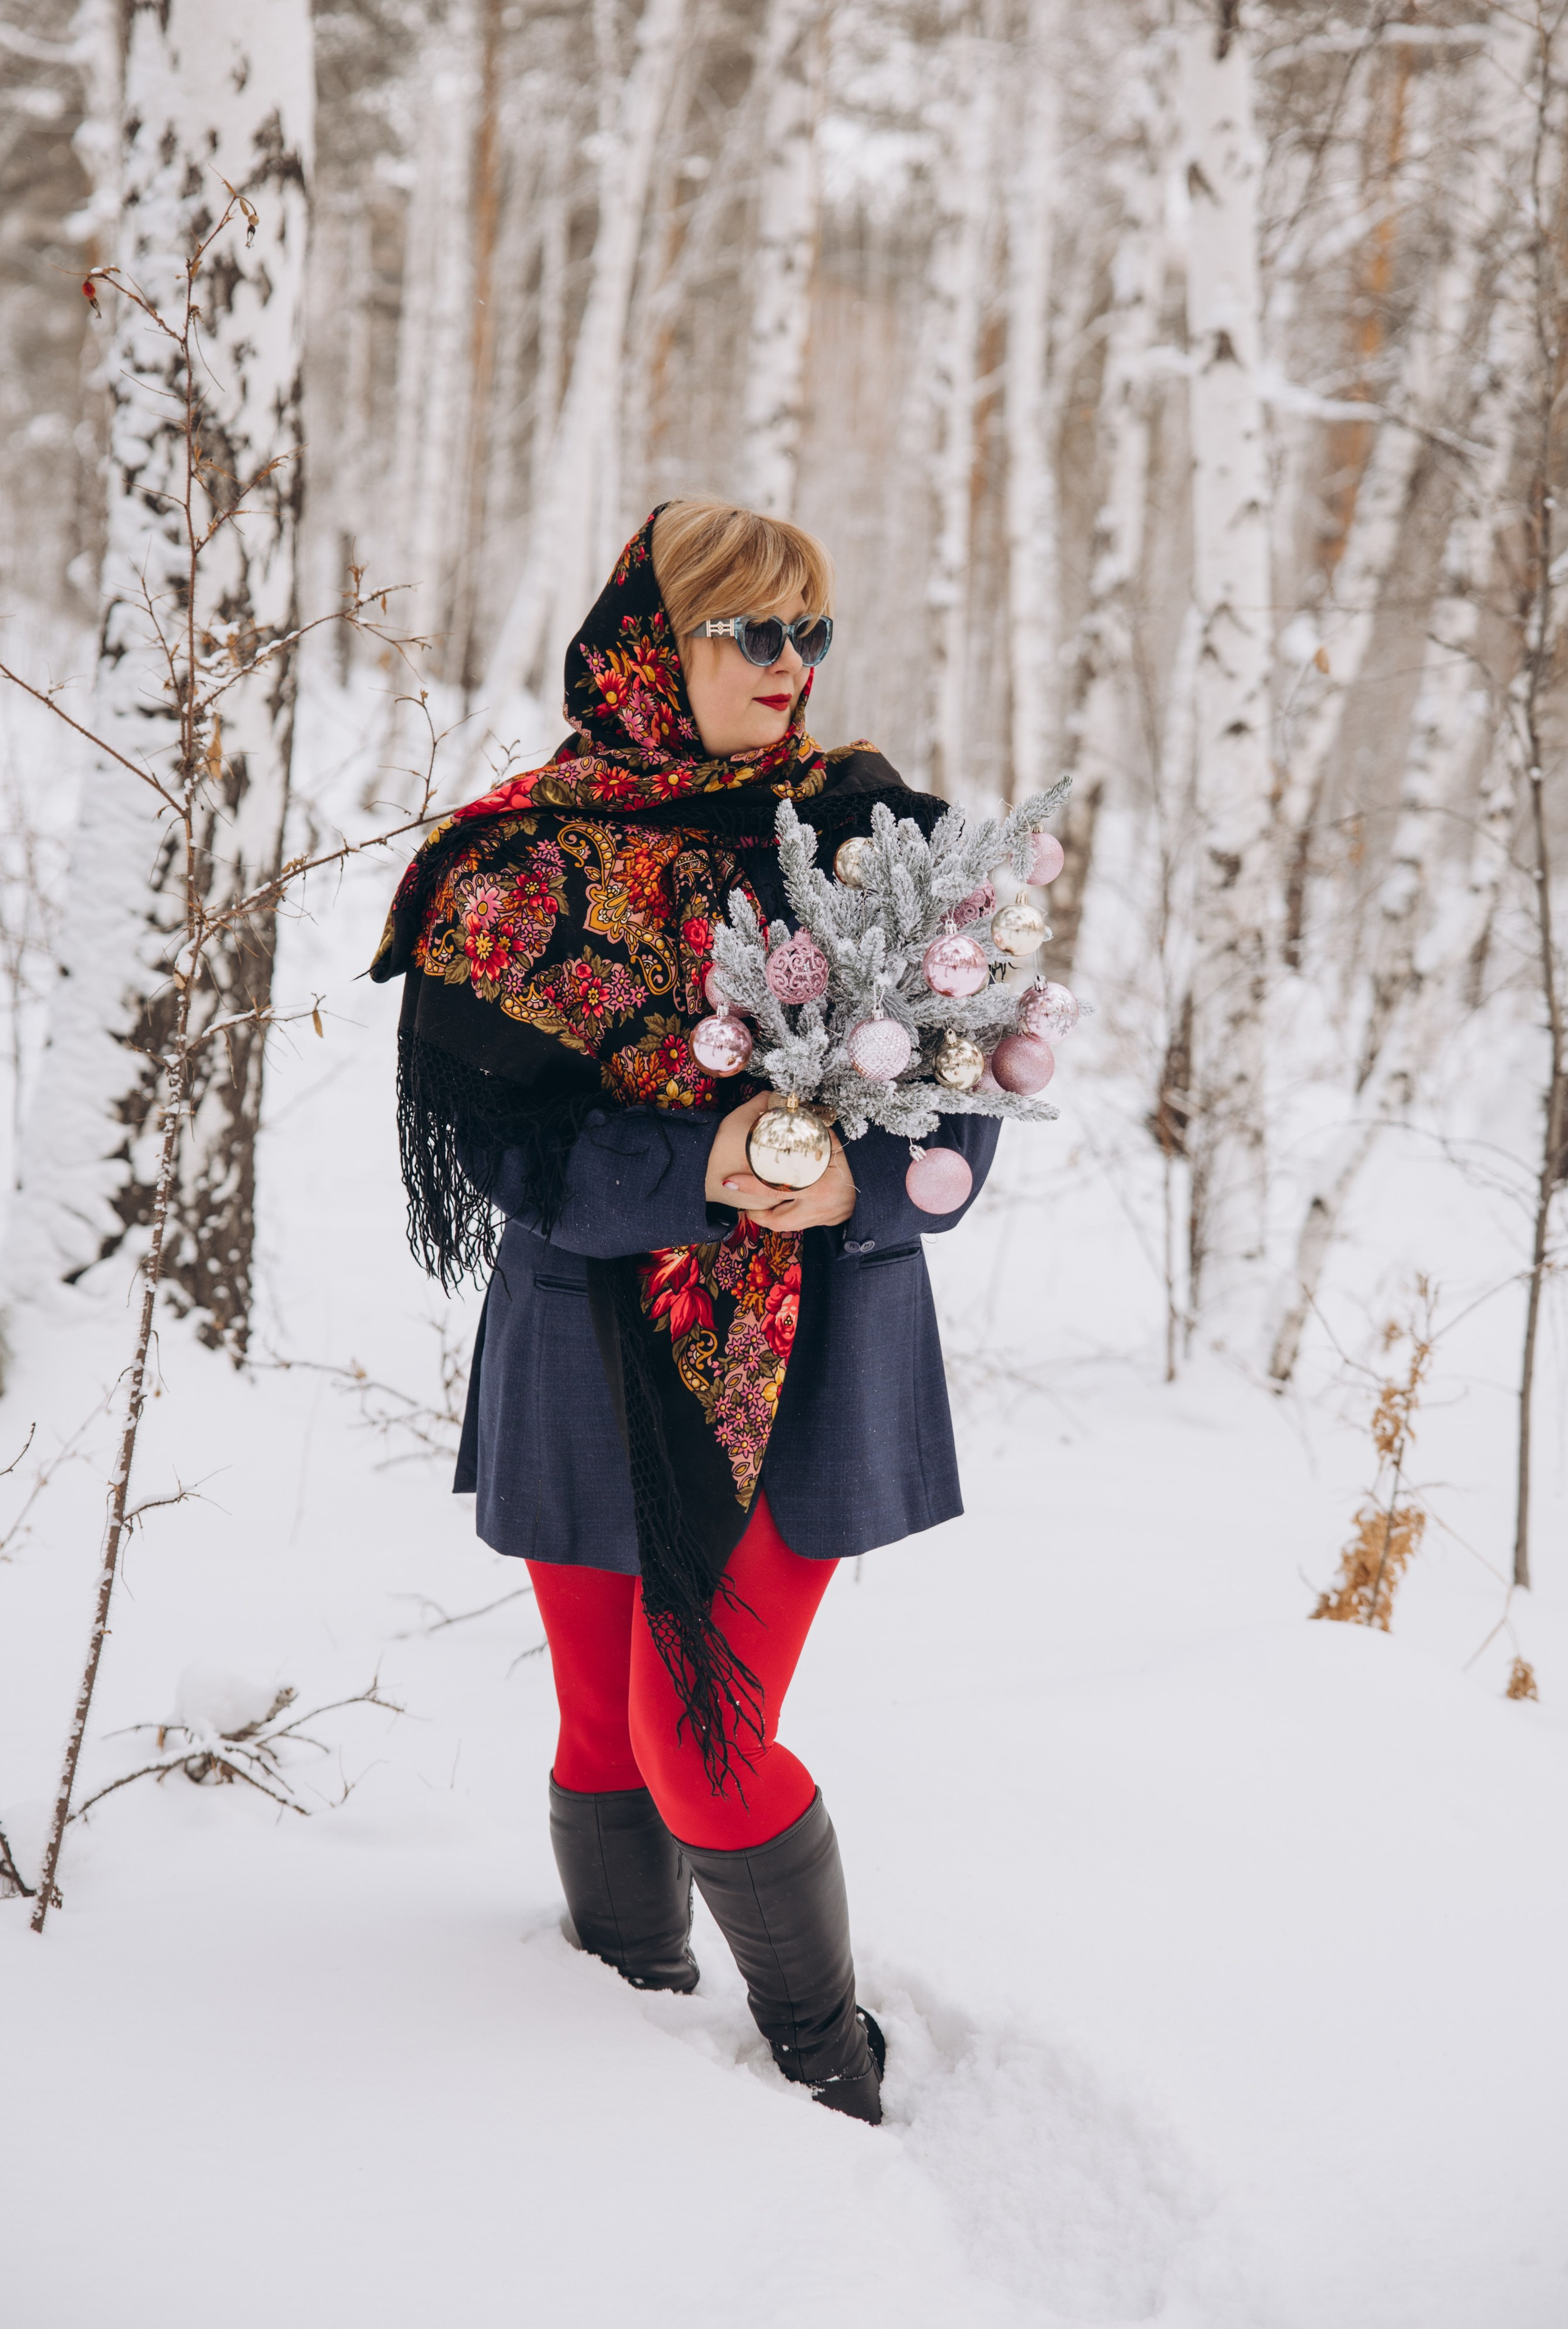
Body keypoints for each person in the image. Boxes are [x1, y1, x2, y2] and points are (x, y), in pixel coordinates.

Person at [372, 498, 999, 2125]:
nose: (793, 667)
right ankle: (620, 2036)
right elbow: (506, 1146)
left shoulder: (872, 842)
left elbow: (960, 1088)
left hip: (808, 1357)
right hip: (590, 1343)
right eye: (755, 632)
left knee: (702, 1740)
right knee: (600, 1721)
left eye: (814, 633)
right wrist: (705, 1160)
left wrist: (865, 1184)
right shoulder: (521, 868)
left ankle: (827, 2067)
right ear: (658, 649)